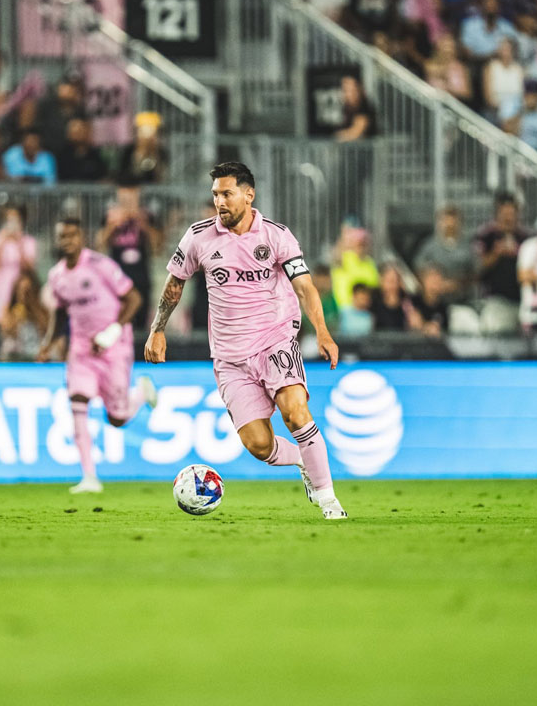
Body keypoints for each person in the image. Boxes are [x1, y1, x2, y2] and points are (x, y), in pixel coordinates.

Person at [144, 161, 347, 520]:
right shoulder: (198, 236)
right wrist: (158, 328)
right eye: (215, 195)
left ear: (249, 194)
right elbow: (175, 284)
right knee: (259, 445)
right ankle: (303, 458)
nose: (219, 202)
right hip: (230, 358)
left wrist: (323, 331)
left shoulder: (277, 235)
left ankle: (329, 500)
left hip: (276, 340)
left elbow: (304, 286)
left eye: (227, 193)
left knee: (295, 411)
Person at [39, 218, 158, 494]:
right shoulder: (56, 275)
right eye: (62, 236)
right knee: (77, 402)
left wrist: (113, 330)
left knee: (117, 418)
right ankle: (89, 477)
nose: (67, 241)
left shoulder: (100, 265)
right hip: (81, 350)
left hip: (114, 346)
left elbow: (135, 298)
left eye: (71, 235)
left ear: (81, 237)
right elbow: (59, 312)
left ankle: (140, 391)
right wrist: (48, 343)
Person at [96, 184, 161, 330]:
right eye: (125, 199)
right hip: (117, 276)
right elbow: (99, 244)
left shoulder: (146, 215)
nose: (129, 202)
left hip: (141, 276)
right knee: (116, 316)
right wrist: (112, 226)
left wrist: (143, 224)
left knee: (142, 320)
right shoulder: (110, 215)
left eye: (132, 198)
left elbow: (158, 245)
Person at [0, 203, 37, 323]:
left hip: (19, 293)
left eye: (15, 219)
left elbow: (30, 269)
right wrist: (2, 242)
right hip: (0, 291)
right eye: (9, 219)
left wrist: (19, 244)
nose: (12, 223)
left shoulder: (28, 241)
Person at [414, 204, 474, 302]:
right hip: (435, 301)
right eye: (446, 221)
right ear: (440, 223)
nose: (450, 225)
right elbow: (418, 270)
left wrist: (458, 283)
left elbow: (476, 273)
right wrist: (435, 283)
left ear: (460, 223)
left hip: (461, 300)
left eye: (453, 222)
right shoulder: (429, 246)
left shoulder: (468, 247)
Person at [0, 272, 49, 362]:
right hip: (14, 354)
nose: (24, 294)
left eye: (27, 291)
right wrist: (17, 318)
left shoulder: (41, 310)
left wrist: (33, 309)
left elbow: (47, 329)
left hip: (35, 352)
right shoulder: (8, 310)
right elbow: (6, 331)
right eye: (20, 290)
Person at [501, 78, 537, 154]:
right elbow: (508, 130)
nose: (531, 98)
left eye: (534, 95)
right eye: (528, 95)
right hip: (518, 150)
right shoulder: (515, 105)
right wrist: (523, 110)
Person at [483, 36, 523, 120]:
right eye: (503, 48)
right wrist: (503, 109)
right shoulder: (490, 67)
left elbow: (522, 96)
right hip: (495, 111)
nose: (505, 52)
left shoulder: (519, 69)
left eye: (508, 49)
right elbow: (488, 98)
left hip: (515, 112)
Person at [56, 117, 109, 181]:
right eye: (73, 132)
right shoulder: (63, 155)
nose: (76, 135)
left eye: (79, 131)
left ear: (86, 132)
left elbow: (103, 177)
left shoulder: (95, 155)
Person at [410, 264, 450, 337]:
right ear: (423, 281)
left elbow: (444, 330)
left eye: (438, 279)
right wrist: (425, 327)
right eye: (432, 278)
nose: (435, 282)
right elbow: (413, 323)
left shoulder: (443, 306)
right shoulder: (413, 301)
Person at [334, 75, 377, 141]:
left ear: (360, 90)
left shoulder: (364, 110)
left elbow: (355, 134)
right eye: (346, 90)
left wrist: (337, 135)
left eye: (353, 90)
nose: (349, 94)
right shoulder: (346, 110)